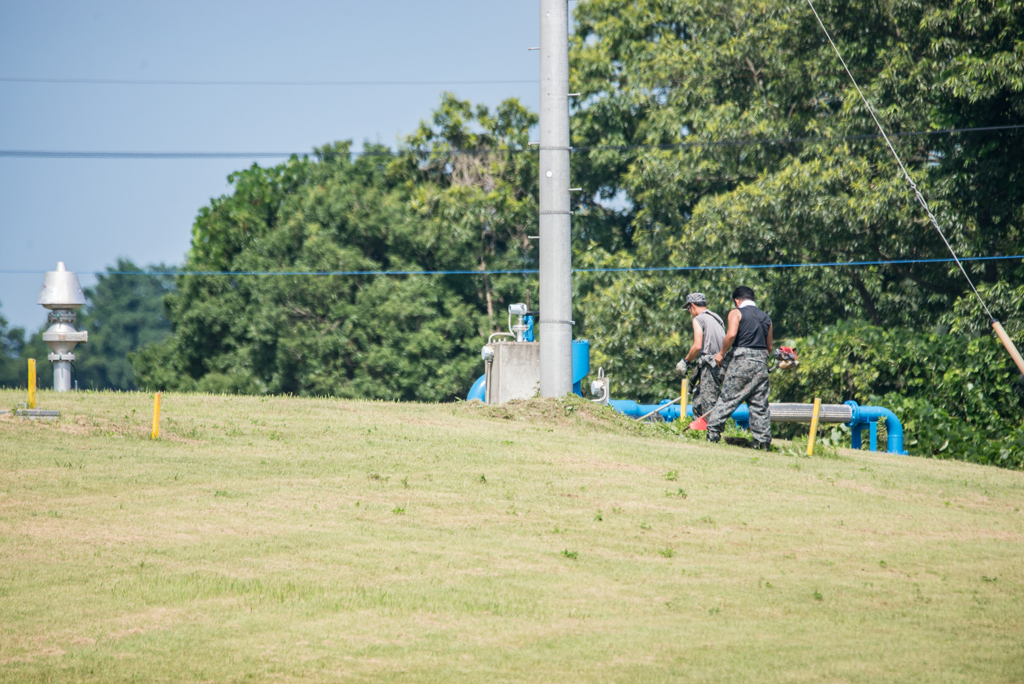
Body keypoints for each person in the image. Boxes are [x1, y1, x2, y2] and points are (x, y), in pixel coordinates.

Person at [705, 286, 773, 449]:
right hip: (761, 363)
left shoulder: (736, 313)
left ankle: (713, 433)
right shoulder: (766, 318)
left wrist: (721, 353)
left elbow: (731, 334)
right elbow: (769, 347)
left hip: (741, 361)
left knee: (728, 398)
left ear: (737, 300)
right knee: (759, 404)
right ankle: (763, 442)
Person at [674, 292, 725, 418]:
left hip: (710, 366)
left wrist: (685, 361)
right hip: (721, 365)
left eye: (688, 308)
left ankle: (712, 429)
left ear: (692, 305)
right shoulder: (717, 318)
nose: (689, 312)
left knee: (707, 405)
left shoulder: (698, 319)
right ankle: (699, 428)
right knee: (698, 403)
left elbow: (697, 346)